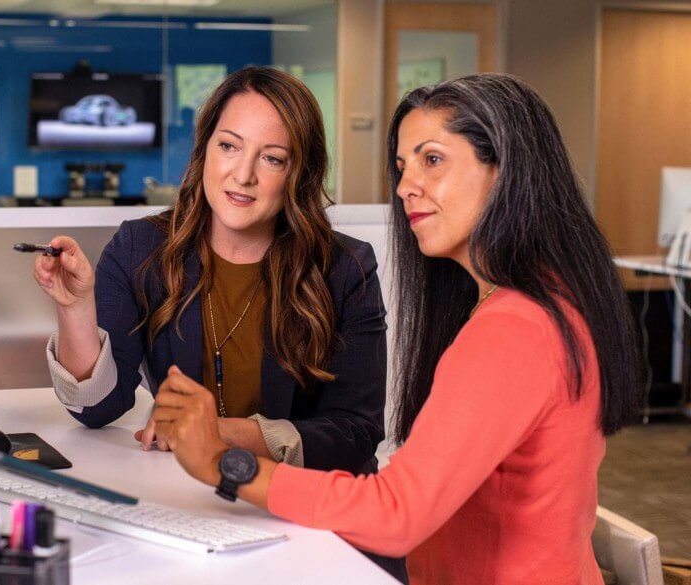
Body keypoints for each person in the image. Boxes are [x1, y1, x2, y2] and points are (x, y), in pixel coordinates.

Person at [150, 73, 642, 584]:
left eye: (433, 159)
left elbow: (397, 515)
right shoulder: (550, 297)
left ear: (505, 172)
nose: (406, 186)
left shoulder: (515, 328)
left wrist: (223, 464)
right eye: (403, 166)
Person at [33, 66, 406, 580]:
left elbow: (356, 432)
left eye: (271, 158)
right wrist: (75, 307)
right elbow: (99, 408)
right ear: (205, 149)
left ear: (299, 172)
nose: (243, 175)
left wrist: (222, 437)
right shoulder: (141, 249)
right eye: (229, 146)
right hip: (196, 513)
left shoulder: (345, 267)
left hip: (313, 522)